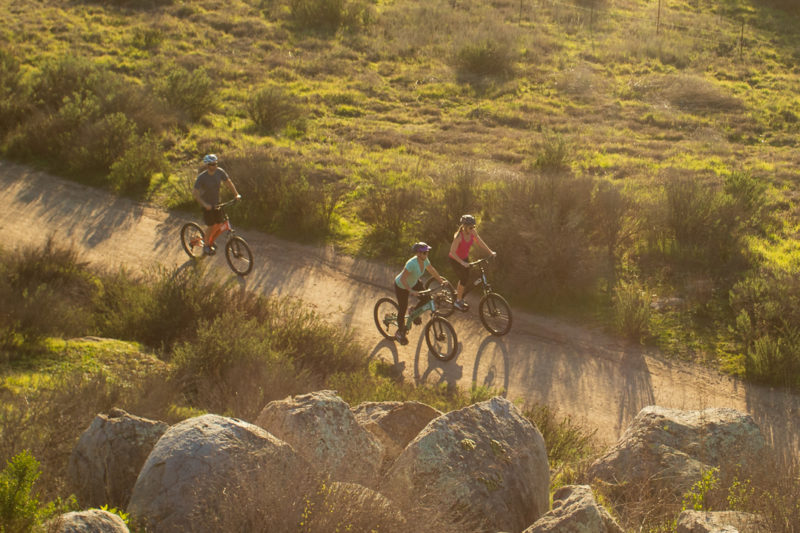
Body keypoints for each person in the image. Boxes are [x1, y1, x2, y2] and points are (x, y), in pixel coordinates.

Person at [394, 242, 448, 345]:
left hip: (414, 282)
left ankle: (414, 311)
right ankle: (400, 332)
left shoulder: (424, 260)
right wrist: (411, 291)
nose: (426, 254)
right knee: (402, 308)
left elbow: (431, 269)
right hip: (402, 285)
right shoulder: (411, 263)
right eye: (424, 253)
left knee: (427, 298)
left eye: (427, 252)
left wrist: (440, 281)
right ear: (418, 253)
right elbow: (403, 279)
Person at [192, 154, 241, 255]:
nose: (214, 166)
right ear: (207, 165)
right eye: (211, 164)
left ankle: (209, 240)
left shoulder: (220, 172)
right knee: (211, 225)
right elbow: (195, 193)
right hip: (207, 205)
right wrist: (205, 205)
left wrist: (236, 194)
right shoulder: (202, 177)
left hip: (217, 203)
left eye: (215, 164)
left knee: (219, 224)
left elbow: (228, 182)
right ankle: (206, 246)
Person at [448, 214, 496, 311]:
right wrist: (461, 262)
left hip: (465, 258)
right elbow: (452, 252)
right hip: (455, 259)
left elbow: (479, 241)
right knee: (463, 278)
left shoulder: (472, 232)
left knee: (467, 277)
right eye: (471, 227)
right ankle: (458, 301)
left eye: (474, 226)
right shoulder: (459, 237)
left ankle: (459, 295)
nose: (473, 228)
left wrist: (490, 251)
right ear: (464, 226)